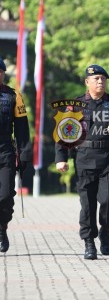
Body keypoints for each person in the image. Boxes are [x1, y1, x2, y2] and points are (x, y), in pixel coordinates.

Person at [55, 64, 109, 260]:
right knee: (88, 204)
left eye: (103, 79)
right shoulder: (75, 104)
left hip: (108, 157)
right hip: (84, 157)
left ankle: (105, 230)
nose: (100, 82)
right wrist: (61, 159)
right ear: (87, 82)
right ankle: (89, 242)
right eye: (96, 79)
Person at [0, 57, 32, 253]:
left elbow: (22, 129)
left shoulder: (13, 96)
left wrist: (24, 155)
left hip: (5, 151)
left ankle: (2, 228)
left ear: (3, 74)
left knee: (5, 196)